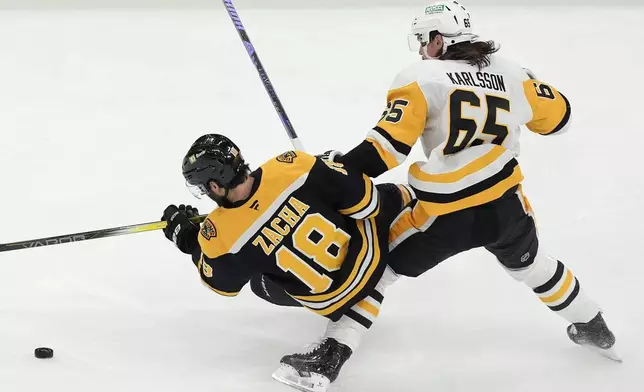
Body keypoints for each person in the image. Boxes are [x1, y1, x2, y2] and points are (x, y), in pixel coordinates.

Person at [324, 0, 619, 364]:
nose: (421, 49)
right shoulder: (514, 73)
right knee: (533, 265)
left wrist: (337, 168)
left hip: (445, 212)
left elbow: (383, 152)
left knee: (377, 269)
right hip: (505, 207)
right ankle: (594, 325)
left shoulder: (420, 77)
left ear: (437, 39)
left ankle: (329, 357)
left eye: (422, 40)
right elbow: (559, 119)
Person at [161, 134, 414, 392]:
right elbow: (364, 201)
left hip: (329, 298)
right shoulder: (291, 165)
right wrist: (327, 168)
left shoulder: (218, 233)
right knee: (379, 196)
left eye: (204, 187)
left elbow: (222, 284)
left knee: (258, 283)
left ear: (215, 185)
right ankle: (423, 202)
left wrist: (190, 240)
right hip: (369, 255)